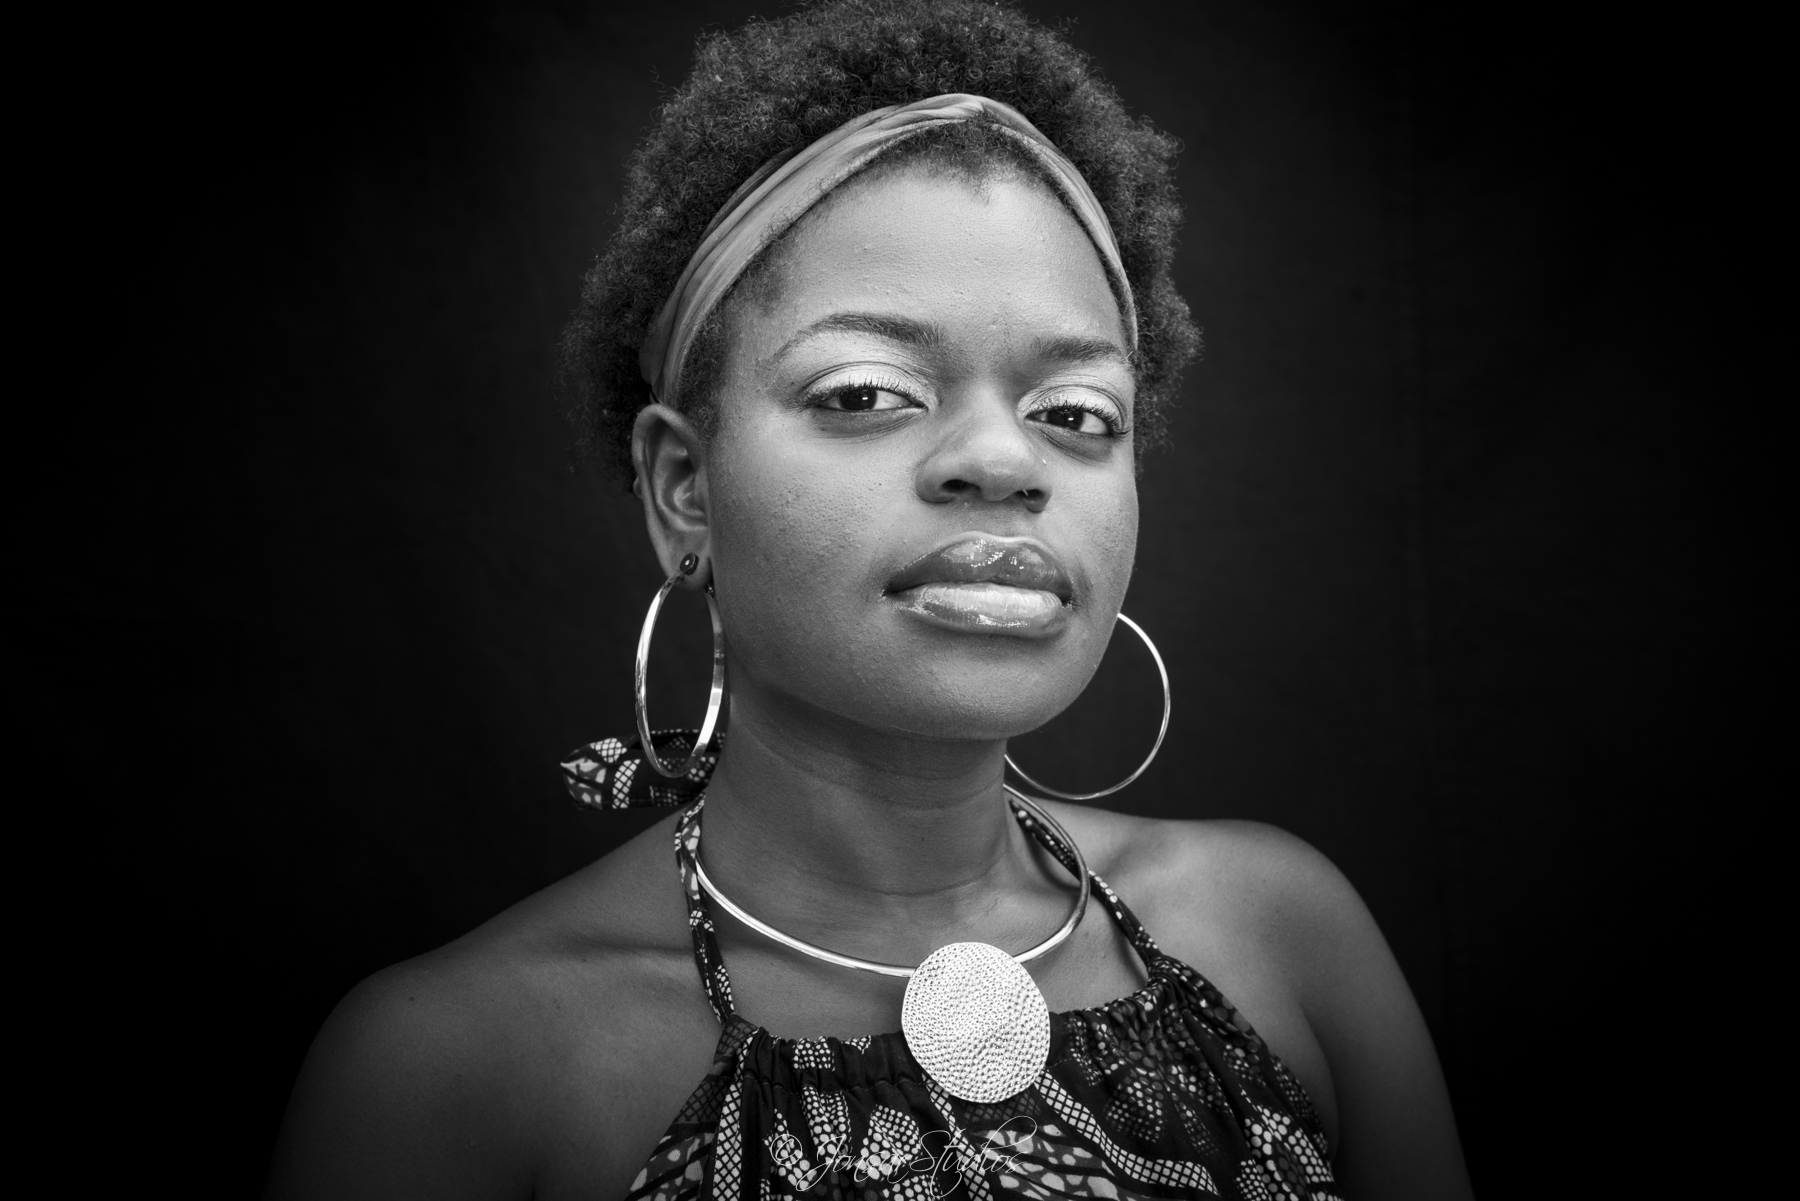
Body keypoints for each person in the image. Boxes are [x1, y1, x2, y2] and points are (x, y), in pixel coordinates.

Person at [266, 2, 1473, 1198]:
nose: (1005, 462)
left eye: (1076, 414)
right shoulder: (458, 1073)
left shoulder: (1282, 935)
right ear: (683, 487)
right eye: (864, 392)